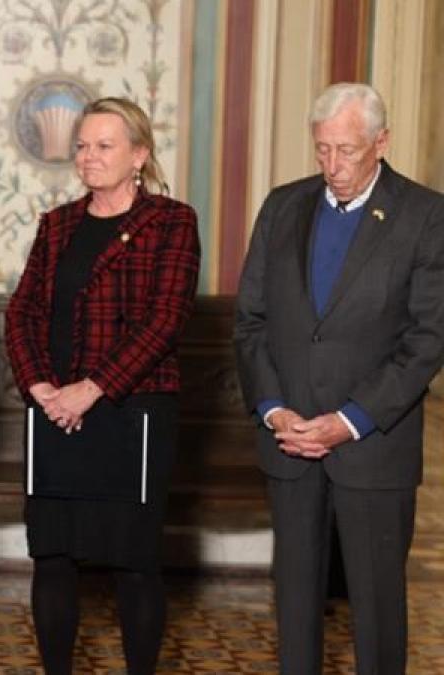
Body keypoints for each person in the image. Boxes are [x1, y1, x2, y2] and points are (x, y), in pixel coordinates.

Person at [234, 82, 444, 674]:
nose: (332, 165)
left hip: (372, 448)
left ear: (381, 141)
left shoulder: (427, 216)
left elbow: (428, 339)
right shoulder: (283, 206)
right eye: (322, 149)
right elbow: (251, 320)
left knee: (377, 613)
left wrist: (348, 420)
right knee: (295, 606)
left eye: (347, 150)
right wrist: (274, 409)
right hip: (290, 442)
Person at [4, 97, 200, 674]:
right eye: (83, 145)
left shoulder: (172, 221)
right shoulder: (57, 223)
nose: (88, 157)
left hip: (131, 415)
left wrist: (90, 389)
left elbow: (165, 320)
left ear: (139, 154)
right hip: (55, 413)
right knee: (53, 558)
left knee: (133, 562)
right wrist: (39, 386)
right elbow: (22, 314)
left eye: (104, 146)